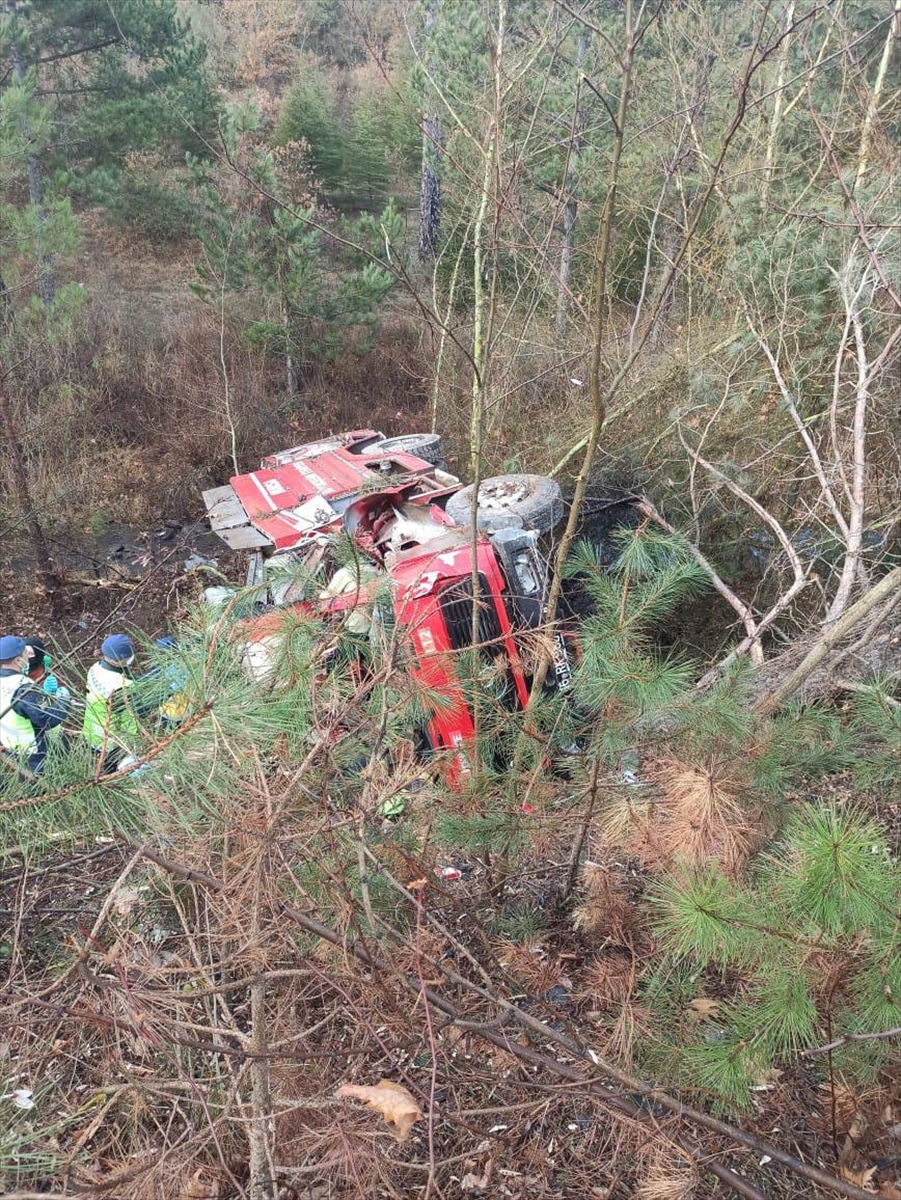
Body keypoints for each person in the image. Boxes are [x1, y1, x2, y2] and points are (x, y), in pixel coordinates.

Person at [83, 633, 156, 771]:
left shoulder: (96, 668)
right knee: (110, 769)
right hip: (113, 739)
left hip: (92, 730)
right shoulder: (121, 686)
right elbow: (141, 709)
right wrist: (166, 693)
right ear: (121, 659)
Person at [0, 635, 69, 774]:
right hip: (34, 751)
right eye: (26, 654)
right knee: (43, 782)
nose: (29, 658)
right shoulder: (23, 689)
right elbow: (48, 719)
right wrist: (63, 700)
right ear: (18, 660)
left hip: (9, 744)